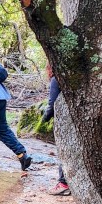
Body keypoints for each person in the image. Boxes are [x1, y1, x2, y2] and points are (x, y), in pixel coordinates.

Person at [42, 66, 70, 195]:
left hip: (65, 122)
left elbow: (52, 102)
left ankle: (63, 183)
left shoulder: (56, 79)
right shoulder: (75, 77)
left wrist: (45, 118)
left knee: (64, 152)